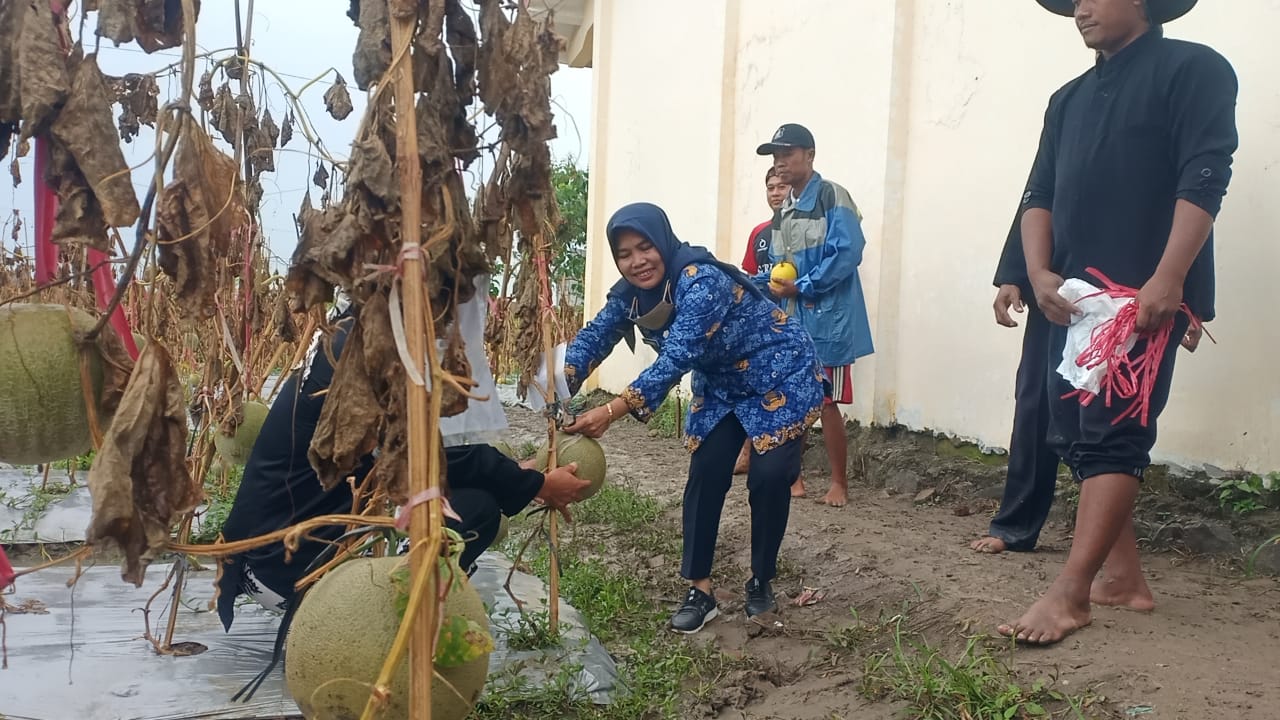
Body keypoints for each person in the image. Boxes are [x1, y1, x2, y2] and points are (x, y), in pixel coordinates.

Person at [1000, 0, 1236, 645]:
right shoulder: (1067, 99)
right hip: (1070, 294)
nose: (1080, 9)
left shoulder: (1193, 69)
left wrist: (1171, 278)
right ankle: (1124, 578)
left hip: (1137, 295)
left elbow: (1206, 174)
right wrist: (1039, 272)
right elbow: (1039, 191)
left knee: (1112, 432)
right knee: (1073, 432)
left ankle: (1071, 592)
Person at [214, 289, 590, 632]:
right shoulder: (373, 352)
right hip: (287, 568)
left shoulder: (352, 331)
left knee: (455, 496)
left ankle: (382, 605)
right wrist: (538, 485)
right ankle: (391, 623)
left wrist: (516, 476)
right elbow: (426, 455)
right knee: (475, 510)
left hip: (262, 556)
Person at [560, 202, 825, 634]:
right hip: (722, 383)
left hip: (778, 370)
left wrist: (610, 411)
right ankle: (699, 589)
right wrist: (558, 383)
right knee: (706, 471)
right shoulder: (631, 295)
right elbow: (596, 335)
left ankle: (761, 581)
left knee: (770, 476)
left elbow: (678, 355)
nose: (636, 261)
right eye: (624, 253)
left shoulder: (700, 280)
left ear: (663, 242)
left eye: (645, 247)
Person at [972, 202, 1203, 556]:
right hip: (1058, 288)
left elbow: (1198, 202)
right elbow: (1039, 193)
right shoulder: (1063, 142)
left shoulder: (1176, 147)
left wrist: (1197, 304)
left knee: (1110, 422)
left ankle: (1106, 547)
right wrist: (1015, 275)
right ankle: (1015, 526)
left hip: (1133, 293)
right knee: (1035, 401)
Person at [754, 123, 874, 507]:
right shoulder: (784, 209)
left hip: (829, 320)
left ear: (810, 155)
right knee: (792, 399)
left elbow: (847, 253)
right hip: (791, 319)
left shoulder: (831, 196)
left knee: (826, 401)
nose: (781, 162)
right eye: (776, 156)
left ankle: (839, 483)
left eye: (788, 154)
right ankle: (796, 479)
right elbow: (778, 263)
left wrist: (803, 286)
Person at [734, 166, 791, 476]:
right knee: (755, 386)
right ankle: (747, 451)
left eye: (782, 186)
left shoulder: (804, 232)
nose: (776, 192)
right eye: (770, 187)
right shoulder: (760, 234)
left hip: (795, 323)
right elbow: (748, 278)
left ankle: (792, 468)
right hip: (763, 325)